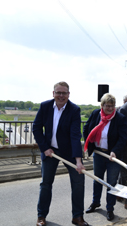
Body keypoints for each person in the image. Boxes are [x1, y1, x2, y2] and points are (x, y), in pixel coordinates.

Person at [33, 81, 88, 226]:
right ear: (53, 93)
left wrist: (78, 161)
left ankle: (77, 217)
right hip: (50, 150)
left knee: (78, 182)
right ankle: (41, 216)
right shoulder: (45, 106)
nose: (61, 96)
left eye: (64, 93)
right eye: (58, 92)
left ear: (69, 94)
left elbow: (75, 136)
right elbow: (36, 128)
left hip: (69, 152)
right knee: (46, 184)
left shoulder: (74, 110)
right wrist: (45, 148)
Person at [83, 93, 127, 221]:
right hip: (99, 154)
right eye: (107, 106)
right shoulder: (95, 114)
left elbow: (122, 138)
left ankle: (110, 208)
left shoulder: (120, 118)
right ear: (102, 105)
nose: (110, 108)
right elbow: (86, 129)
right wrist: (89, 143)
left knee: (111, 183)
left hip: (113, 156)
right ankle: (95, 202)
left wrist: (115, 151)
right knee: (97, 179)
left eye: (112, 106)